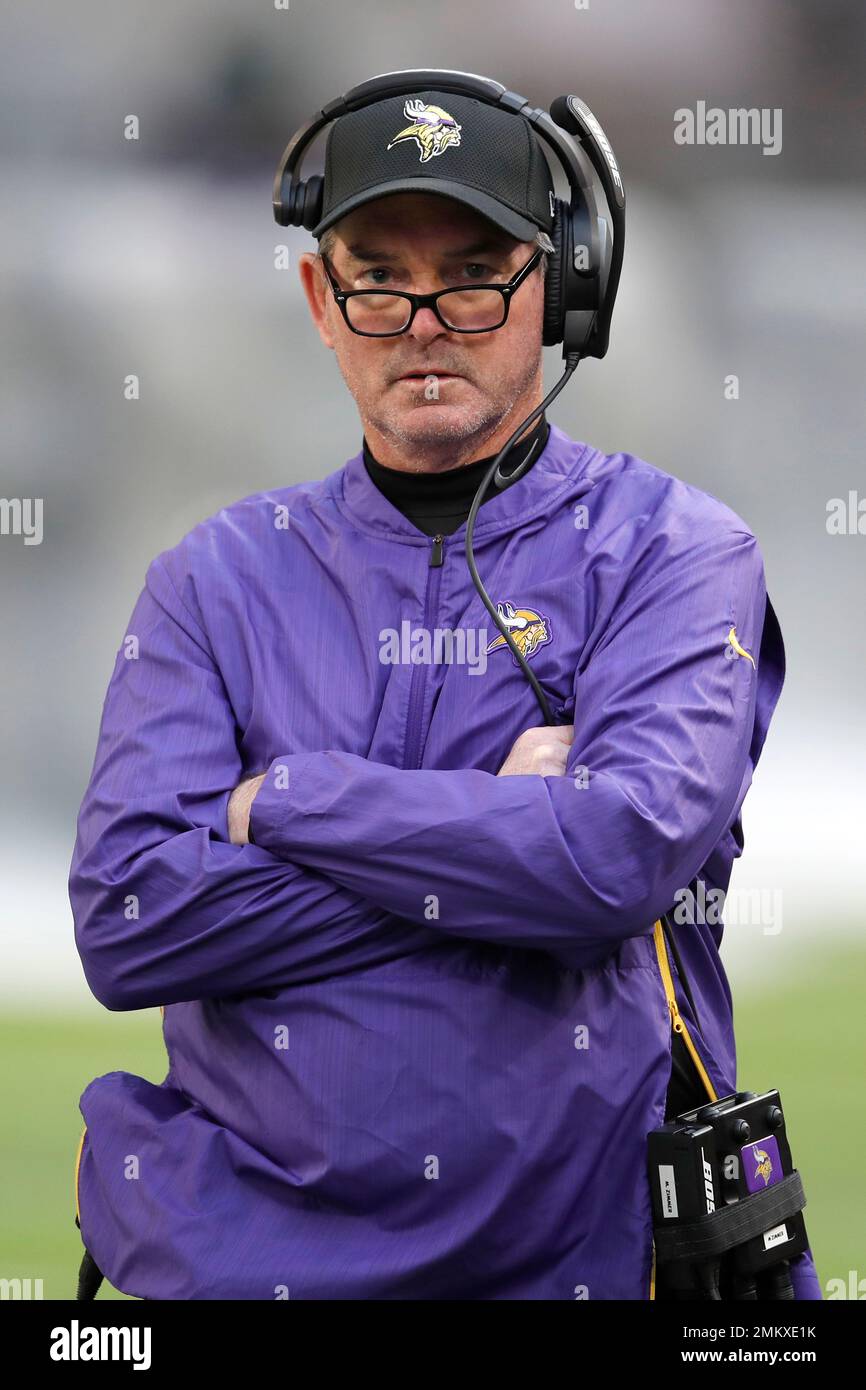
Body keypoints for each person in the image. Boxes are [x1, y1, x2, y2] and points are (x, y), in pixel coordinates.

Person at [69, 81, 822, 1300]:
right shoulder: (210, 579)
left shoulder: (677, 554)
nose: (422, 321)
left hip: (578, 1264)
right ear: (322, 300)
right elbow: (131, 917)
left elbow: (612, 862)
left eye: (473, 274)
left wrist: (292, 800)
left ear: (562, 286)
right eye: (376, 276)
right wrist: (487, 829)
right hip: (228, 1261)